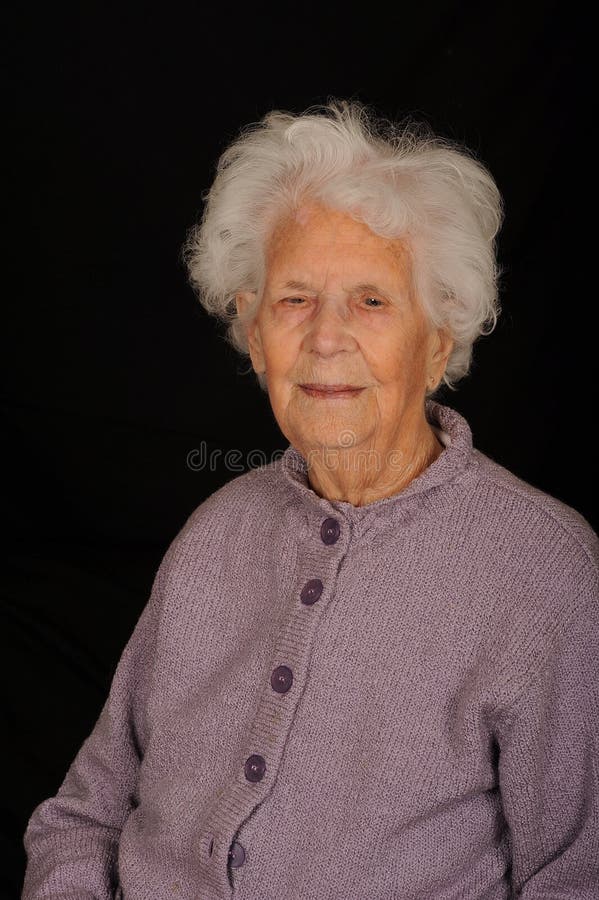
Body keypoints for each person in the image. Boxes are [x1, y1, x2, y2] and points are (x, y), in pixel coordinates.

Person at [22, 101, 598, 899]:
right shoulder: (214, 534)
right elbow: (84, 816)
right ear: (255, 337)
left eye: (371, 301)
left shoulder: (542, 569)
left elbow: (576, 878)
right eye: (293, 299)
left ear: (437, 341)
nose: (326, 337)